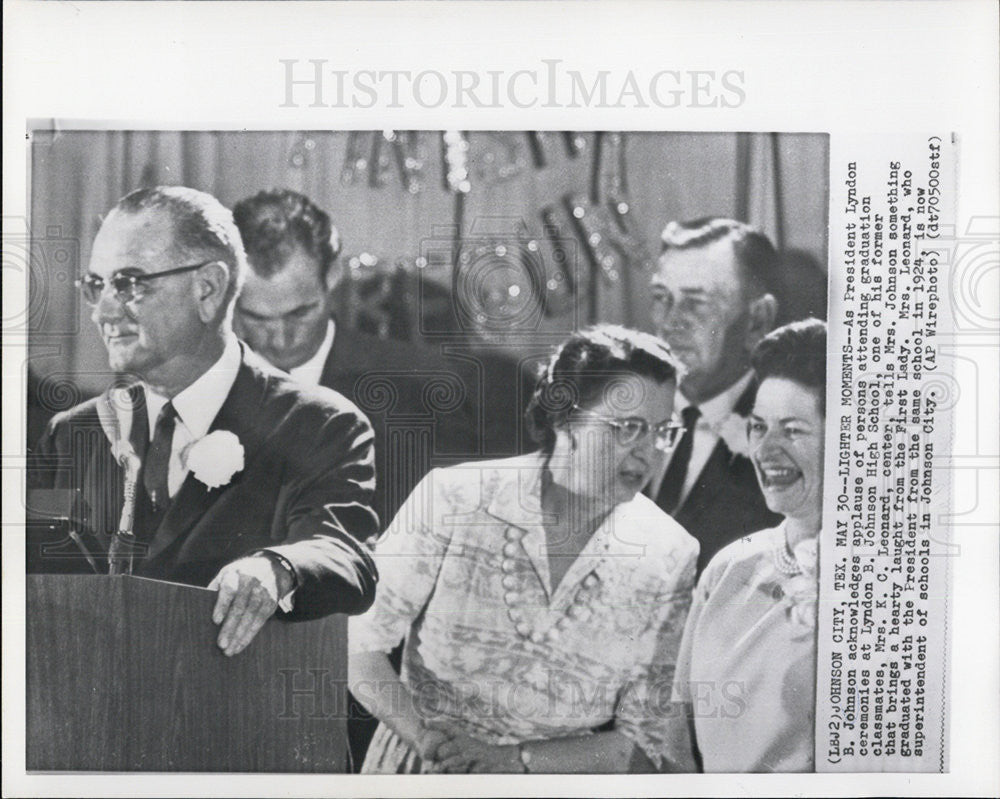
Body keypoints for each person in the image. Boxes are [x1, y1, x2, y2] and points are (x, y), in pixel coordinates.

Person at [28, 186, 379, 656]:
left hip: (233, 717)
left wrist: (275, 569)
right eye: (97, 285)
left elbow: (344, 552)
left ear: (208, 290)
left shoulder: (320, 424)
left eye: (130, 284)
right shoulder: (72, 434)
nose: (103, 311)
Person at [349, 325, 699, 773]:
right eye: (629, 428)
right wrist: (426, 738)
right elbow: (358, 646)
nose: (648, 452)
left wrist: (513, 761)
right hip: (425, 767)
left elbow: (642, 741)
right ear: (565, 419)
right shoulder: (455, 498)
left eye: (662, 431)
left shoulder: (668, 554)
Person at [231, 189, 532, 530]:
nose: (281, 339)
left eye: (300, 312)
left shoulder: (426, 392)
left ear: (332, 277)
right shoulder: (205, 389)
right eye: (256, 318)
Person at [669, 318, 826, 772]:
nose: (765, 450)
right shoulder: (728, 569)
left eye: (792, 430)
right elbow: (676, 744)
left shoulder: (890, 586)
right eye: (758, 427)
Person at [649, 217, 783, 573]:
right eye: (662, 298)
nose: (670, 321)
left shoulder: (785, 441)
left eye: (696, 303)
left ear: (757, 320)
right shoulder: (620, 412)